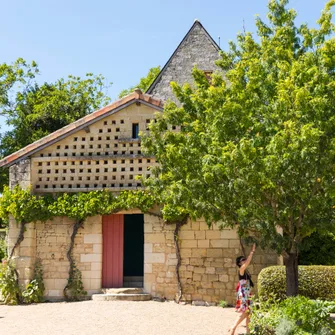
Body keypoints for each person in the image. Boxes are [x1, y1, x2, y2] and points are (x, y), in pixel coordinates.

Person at [228, 243, 256, 335]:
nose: (244, 261)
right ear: (240, 263)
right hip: (244, 293)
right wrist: (252, 252)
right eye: (242, 260)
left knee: (249, 312)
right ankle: (233, 327)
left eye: (244, 259)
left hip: (247, 293)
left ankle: (248, 332)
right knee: (245, 312)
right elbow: (248, 262)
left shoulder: (245, 271)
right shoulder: (241, 270)